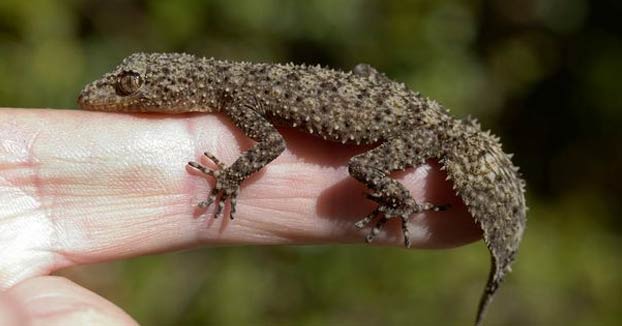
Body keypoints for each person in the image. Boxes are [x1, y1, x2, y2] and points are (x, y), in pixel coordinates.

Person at [0, 108, 481, 324]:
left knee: (363, 168)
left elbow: (271, 145)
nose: (106, 94)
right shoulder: (234, 90)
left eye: (130, 88)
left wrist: (228, 180)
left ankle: (403, 201)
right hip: (408, 117)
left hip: (407, 130)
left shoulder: (238, 98)